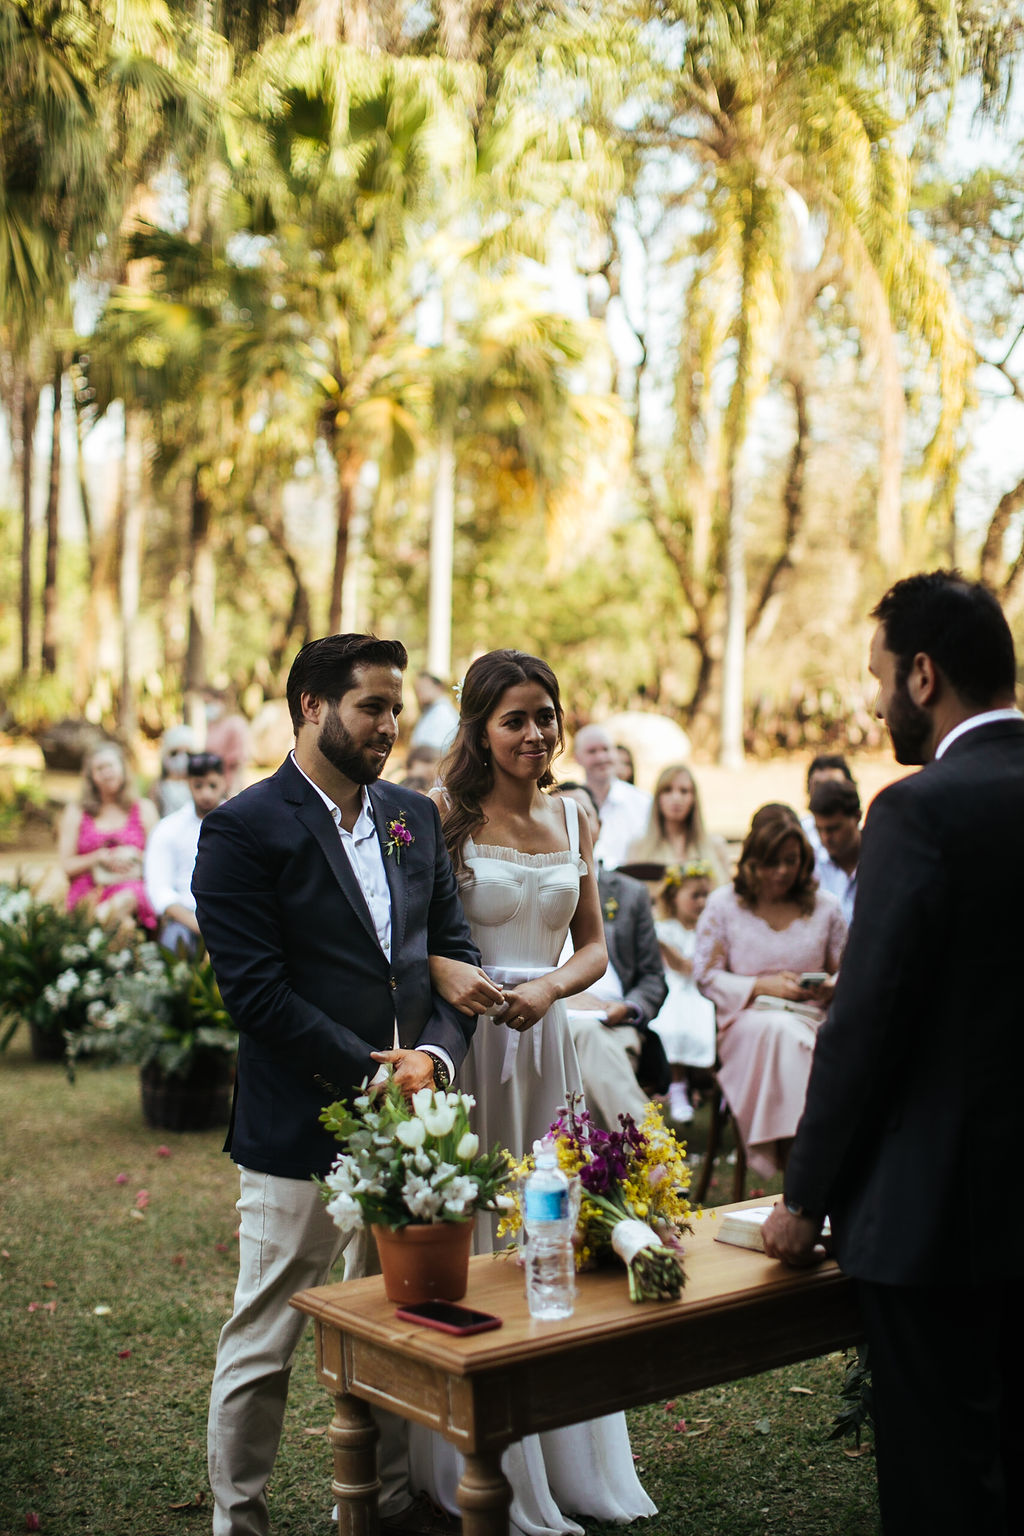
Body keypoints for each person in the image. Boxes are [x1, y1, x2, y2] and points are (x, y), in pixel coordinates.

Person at [192, 634, 481, 1536]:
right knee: (267, 1336)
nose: (390, 725)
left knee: (395, 1327)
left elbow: (451, 955)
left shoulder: (411, 815)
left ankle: (382, 1505)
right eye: (372, 706)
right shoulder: (244, 828)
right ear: (311, 707)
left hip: (411, 1123)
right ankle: (238, 1521)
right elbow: (256, 994)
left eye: (396, 707)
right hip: (301, 1124)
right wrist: (366, 1072)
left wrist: (433, 1060)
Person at [763, 571, 1024, 1536]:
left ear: (922, 675)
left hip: (943, 1220)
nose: (876, 705)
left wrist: (803, 1199)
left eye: (878, 679)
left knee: (943, 1482)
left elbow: (867, 1022)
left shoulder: (918, 810)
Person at [417, 651, 657, 1536]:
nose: (535, 733)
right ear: (481, 728)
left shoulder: (574, 814)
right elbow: (411, 939)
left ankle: (561, 1455)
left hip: (545, 1036)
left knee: (545, 1222)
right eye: (514, 718)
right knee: (472, 1222)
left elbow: (593, 946)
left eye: (545, 716)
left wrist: (551, 989)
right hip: (466, 1042)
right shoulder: (442, 813)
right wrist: (458, 981)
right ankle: (460, 1453)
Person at [693, 804, 846, 1177]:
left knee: (797, 1038)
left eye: (790, 861)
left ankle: (805, 1170)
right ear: (752, 862)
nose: (781, 871)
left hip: (813, 1020)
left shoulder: (826, 908)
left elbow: (850, 971)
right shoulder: (724, 905)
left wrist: (830, 987)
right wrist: (762, 985)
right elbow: (706, 975)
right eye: (771, 862)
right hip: (748, 1023)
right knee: (781, 1033)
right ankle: (804, 1165)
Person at [552, 782, 669, 1131]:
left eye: (581, 815)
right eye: (559, 816)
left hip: (613, 1024)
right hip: (550, 1019)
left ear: (599, 826)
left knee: (588, 1043)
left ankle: (588, 1156)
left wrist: (628, 1008)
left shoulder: (630, 894)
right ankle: (649, 1150)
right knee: (584, 1043)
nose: (572, 826)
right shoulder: (531, 890)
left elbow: (652, 978)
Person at [60, 742, 159, 930]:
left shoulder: (144, 808)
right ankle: (106, 926)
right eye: (99, 768)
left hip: (132, 888)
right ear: (91, 776)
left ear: (123, 768)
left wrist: (132, 855)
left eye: (110, 766)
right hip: (89, 890)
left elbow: (159, 860)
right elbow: (67, 865)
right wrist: (97, 858)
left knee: (127, 898)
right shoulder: (76, 811)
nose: (106, 773)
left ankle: (98, 924)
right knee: (125, 925)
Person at [650, 861, 717, 1124]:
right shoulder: (664, 929)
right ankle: (677, 1084)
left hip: (701, 987)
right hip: (674, 986)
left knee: (705, 1015)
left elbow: (696, 968)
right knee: (673, 1019)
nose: (702, 902)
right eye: (695, 896)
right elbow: (678, 968)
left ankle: (707, 1083)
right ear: (673, 898)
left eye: (705, 895)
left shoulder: (709, 929)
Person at [144, 752, 227, 955]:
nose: (206, 794)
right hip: (185, 918)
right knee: (175, 942)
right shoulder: (168, 828)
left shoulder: (242, 825)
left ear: (224, 782)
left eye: (212, 785)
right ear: (188, 783)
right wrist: (196, 924)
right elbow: (160, 890)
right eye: (198, 786)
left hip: (231, 914)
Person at [625, 763, 730, 887]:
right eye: (667, 790)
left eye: (684, 791)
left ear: (693, 798)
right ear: (658, 798)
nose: (676, 798)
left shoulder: (715, 846)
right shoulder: (638, 847)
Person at [572, 723, 651, 869]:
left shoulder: (644, 802)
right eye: (592, 751)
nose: (601, 757)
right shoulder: (569, 804)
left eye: (606, 749)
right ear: (576, 758)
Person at [808, 777, 861, 925]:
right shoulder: (810, 865)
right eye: (819, 830)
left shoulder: (882, 859)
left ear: (857, 817)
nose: (825, 838)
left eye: (833, 829)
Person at [799, 753, 855, 859]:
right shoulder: (799, 835)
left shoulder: (869, 836)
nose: (825, 792)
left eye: (834, 785)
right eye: (818, 786)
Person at [203, 690, 251, 798]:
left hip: (230, 786)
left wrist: (233, 791)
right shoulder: (212, 725)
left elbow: (238, 761)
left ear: (221, 701)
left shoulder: (235, 724)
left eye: (209, 703)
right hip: (214, 785)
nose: (207, 707)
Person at [150, 723, 198, 817]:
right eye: (174, 753)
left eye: (188, 753)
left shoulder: (199, 783)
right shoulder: (158, 787)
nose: (181, 758)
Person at [410, 671, 460, 755]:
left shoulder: (443, 713)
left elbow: (432, 752)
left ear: (439, 687)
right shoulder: (431, 711)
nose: (420, 692)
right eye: (417, 689)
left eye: (424, 687)